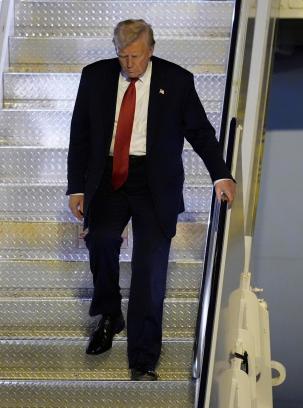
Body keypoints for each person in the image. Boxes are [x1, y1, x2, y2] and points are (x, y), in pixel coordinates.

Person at [66, 19, 236, 381]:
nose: (129, 64)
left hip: (154, 184)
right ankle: (110, 313)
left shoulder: (176, 81)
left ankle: (143, 359)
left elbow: (201, 133)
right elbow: (79, 134)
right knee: (101, 239)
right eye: (123, 56)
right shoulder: (95, 77)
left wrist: (221, 175)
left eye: (136, 56)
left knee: (149, 269)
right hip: (109, 177)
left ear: (151, 50)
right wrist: (75, 187)